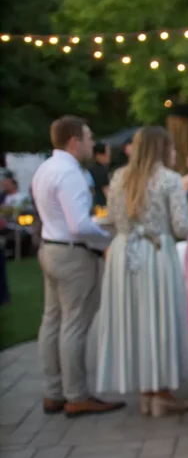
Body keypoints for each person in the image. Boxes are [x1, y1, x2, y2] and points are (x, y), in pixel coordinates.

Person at [94, 126, 188, 416]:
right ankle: (161, 393)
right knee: (159, 319)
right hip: (154, 252)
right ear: (163, 148)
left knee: (135, 320)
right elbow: (180, 227)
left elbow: (112, 219)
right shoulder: (169, 179)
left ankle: (147, 391)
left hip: (123, 252)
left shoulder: (119, 177)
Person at [31, 115, 122, 417]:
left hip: (50, 248)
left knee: (52, 322)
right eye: (88, 137)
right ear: (74, 141)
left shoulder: (45, 168)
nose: (92, 142)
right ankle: (76, 394)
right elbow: (79, 225)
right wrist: (108, 235)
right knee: (74, 325)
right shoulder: (69, 173)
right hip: (72, 254)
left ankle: (53, 391)